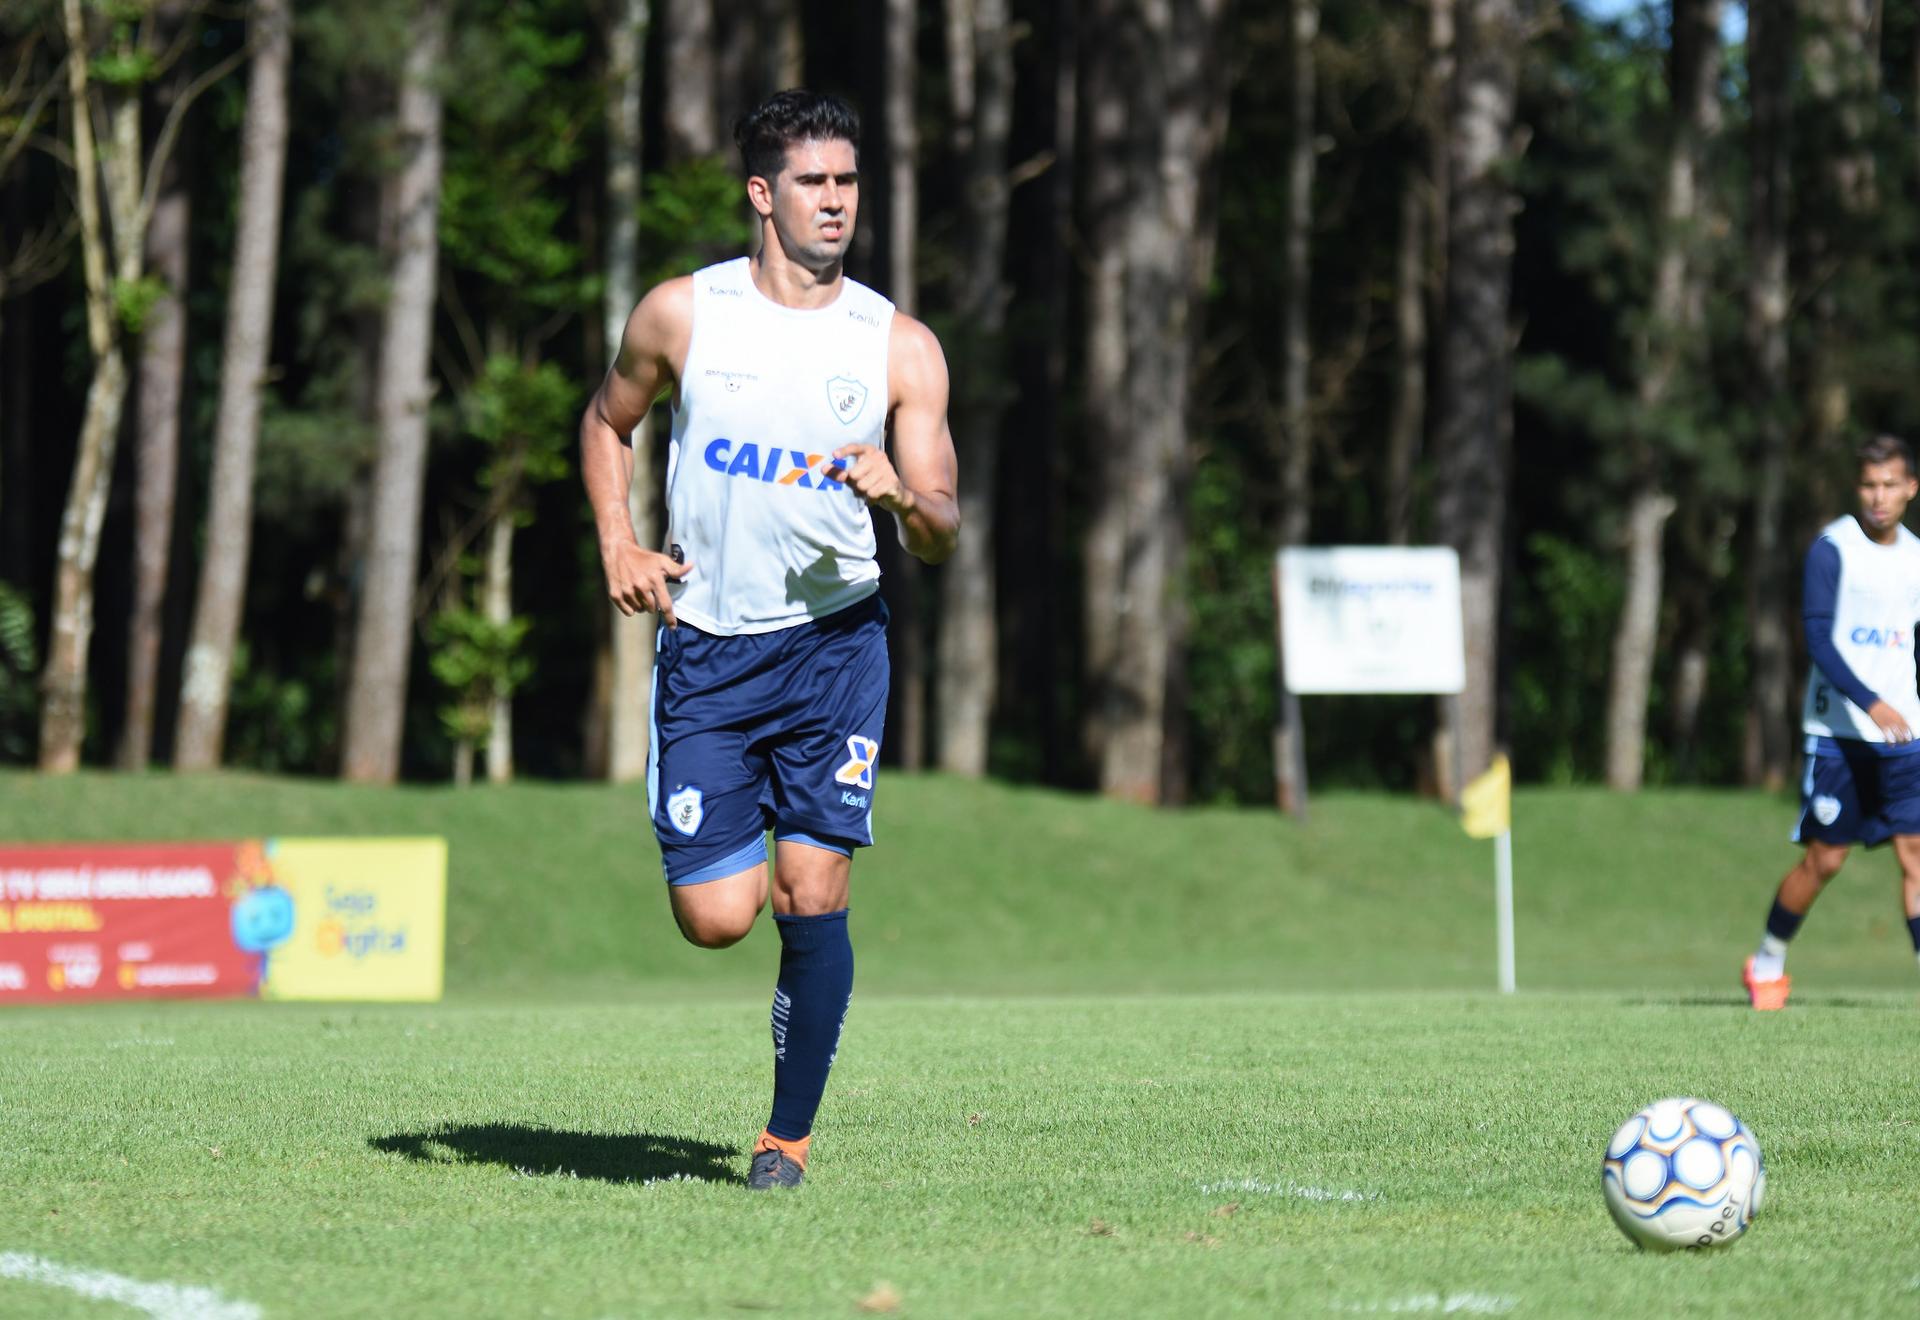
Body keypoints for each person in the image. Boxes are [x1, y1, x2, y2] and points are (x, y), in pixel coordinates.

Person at [579, 90, 960, 1186]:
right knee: (717, 918)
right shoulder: (681, 315)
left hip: (837, 648)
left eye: (847, 182)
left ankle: (784, 1141)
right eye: (813, 183)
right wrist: (619, 541)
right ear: (763, 194)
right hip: (707, 644)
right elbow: (607, 424)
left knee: (814, 893)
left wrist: (904, 497)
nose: (836, 202)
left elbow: (942, 531)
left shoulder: (900, 346)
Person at [1743, 435, 1920, 1009]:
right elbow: (1818, 638)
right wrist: (1870, 702)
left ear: (1911, 488)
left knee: (1915, 852)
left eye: (1891, 484)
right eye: (1870, 484)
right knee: (1826, 859)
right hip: (1839, 735)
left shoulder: (1917, 557)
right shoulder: (1833, 548)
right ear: (1857, 489)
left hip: (1906, 736)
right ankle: (1767, 959)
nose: (1879, 496)